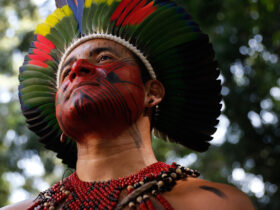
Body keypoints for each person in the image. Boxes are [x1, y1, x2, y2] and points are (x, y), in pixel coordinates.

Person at [2, 0, 255, 209]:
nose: (77, 69)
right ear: (60, 122)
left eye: (104, 57)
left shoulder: (213, 203)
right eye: (67, 70)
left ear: (152, 93)